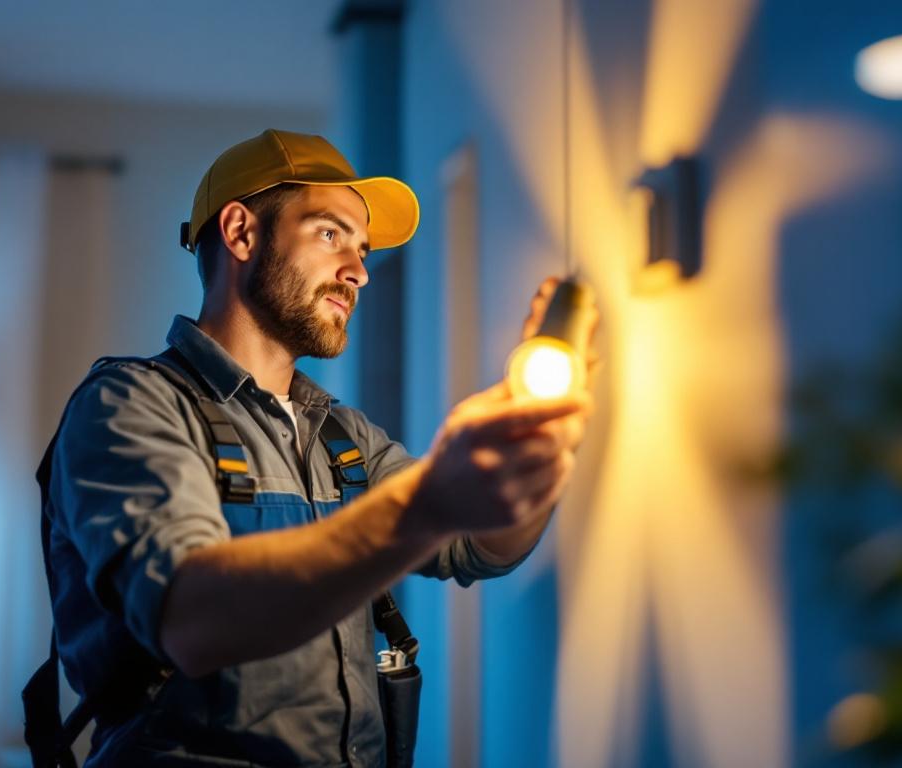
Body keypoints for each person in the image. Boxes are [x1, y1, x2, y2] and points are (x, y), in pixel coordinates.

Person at [41, 129, 595, 766]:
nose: (359, 271)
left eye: (361, 249)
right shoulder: (129, 406)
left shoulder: (343, 437)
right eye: (331, 234)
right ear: (242, 233)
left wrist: (539, 439)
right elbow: (189, 617)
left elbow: (481, 545)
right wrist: (424, 505)